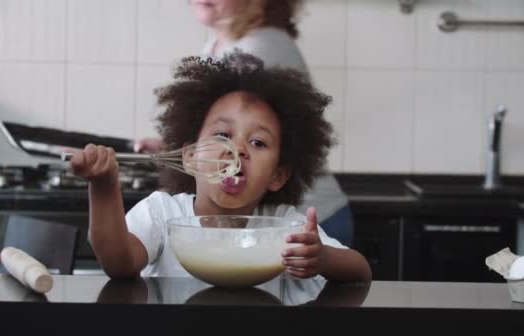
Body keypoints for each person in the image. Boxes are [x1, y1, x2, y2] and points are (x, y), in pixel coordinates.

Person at [70, 53, 371, 282]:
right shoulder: (163, 215)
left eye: (258, 143)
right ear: (189, 157)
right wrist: (104, 185)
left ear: (278, 175)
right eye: (223, 135)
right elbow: (118, 262)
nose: (237, 149)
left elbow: (360, 271)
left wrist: (323, 258)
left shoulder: (282, 226)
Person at [136, 0, 353, 246]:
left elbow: (247, 134)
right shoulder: (218, 44)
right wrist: (170, 145)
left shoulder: (260, 45)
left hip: (307, 219)